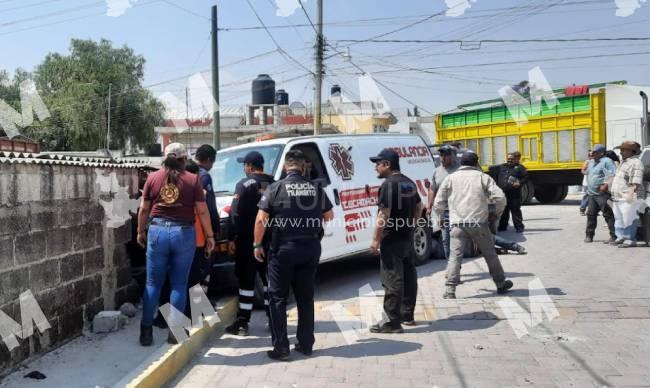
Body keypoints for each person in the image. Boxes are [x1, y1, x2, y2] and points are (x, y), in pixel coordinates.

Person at [254, 150, 334, 361]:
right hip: (310, 248)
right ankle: (306, 344)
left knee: (278, 298)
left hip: (283, 250)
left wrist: (256, 245)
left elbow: (261, 220)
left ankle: (281, 347)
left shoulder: (275, 188)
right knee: (305, 297)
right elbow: (329, 215)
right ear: (302, 166)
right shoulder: (316, 188)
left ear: (286, 167)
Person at [137, 143, 215, 346]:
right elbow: (203, 211)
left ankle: (146, 333)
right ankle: (175, 333)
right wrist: (210, 236)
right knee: (179, 284)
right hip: (183, 233)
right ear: (184, 159)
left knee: (153, 284)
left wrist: (140, 231)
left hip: (157, 232)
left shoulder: (152, 178)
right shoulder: (192, 179)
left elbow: (144, 209)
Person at [434, 151, 513, 299]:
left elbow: (438, 202)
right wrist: (496, 213)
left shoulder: (450, 178)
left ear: (461, 163)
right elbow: (500, 197)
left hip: (457, 224)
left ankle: (450, 290)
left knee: (455, 256)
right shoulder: (483, 177)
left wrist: (440, 217)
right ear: (476, 163)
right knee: (490, 254)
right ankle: (501, 284)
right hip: (479, 224)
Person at [369, 148, 422, 333]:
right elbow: (419, 206)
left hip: (392, 238)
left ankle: (391, 322)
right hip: (407, 236)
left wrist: (375, 240)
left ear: (387, 165)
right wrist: (411, 225)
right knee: (408, 276)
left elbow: (384, 213)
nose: (376, 167)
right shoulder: (409, 183)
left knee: (392, 278)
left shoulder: (388, 185)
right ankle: (407, 315)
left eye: (378, 164)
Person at [225, 151, 275, 336]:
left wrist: (232, 238)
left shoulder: (243, 185)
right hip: (271, 242)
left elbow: (235, 215)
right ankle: (274, 321)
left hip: (247, 242)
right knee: (270, 282)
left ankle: (242, 324)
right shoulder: (275, 183)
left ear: (250, 166)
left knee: (246, 282)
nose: (244, 168)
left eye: (244, 165)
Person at [610, 141, 646, 248]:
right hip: (618, 196)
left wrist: (631, 194)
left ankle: (630, 239)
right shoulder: (624, 162)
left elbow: (636, 180)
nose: (620, 152)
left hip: (628, 196)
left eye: (623, 150)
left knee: (628, 218)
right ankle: (620, 236)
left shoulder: (636, 163)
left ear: (631, 151)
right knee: (619, 217)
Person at [427, 145, 460, 259]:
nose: (443, 157)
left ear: (452, 156)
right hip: (443, 212)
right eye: (441, 155)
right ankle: (452, 265)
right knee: (446, 239)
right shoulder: (437, 171)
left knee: (460, 238)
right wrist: (429, 206)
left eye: (446, 155)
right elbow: (432, 189)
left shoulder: (459, 170)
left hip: (459, 211)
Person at [584, 144, 617, 244]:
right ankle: (589, 235)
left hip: (603, 193)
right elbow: (589, 173)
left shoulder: (607, 161)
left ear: (601, 153)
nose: (592, 153)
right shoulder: (591, 162)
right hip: (592, 194)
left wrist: (606, 185)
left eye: (594, 152)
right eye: (592, 152)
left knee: (607, 214)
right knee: (591, 214)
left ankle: (614, 236)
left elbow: (612, 174)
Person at [493, 152, 528, 233]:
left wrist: (519, 182)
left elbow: (526, 178)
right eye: (509, 159)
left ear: (515, 159)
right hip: (503, 193)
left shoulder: (520, 167)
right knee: (504, 210)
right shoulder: (502, 167)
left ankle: (519, 227)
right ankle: (502, 227)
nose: (510, 160)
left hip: (514, 194)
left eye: (512, 159)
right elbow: (495, 176)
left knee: (515, 210)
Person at [580, 150, 593, 216]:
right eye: (590, 155)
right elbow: (582, 171)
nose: (592, 156)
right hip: (587, 182)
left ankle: (592, 211)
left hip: (593, 182)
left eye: (593, 155)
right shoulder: (587, 162)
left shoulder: (596, 162)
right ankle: (582, 209)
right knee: (587, 196)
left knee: (593, 197)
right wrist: (589, 173)